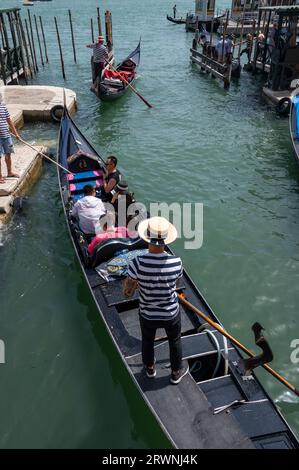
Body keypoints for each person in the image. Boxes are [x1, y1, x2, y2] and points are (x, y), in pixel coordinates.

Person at [123, 216, 189, 385]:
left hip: (147, 313)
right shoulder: (177, 262)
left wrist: (137, 285)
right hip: (170, 313)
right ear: (166, 239)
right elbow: (176, 284)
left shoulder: (136, 263)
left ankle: (150, 368)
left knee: (147, 340)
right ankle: (176, 373)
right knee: (175, 341)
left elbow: (127, 293)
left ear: (147, 237)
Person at [0, 93, 20, 184]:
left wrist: (16, 133)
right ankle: (0, 176)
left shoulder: (3, 107)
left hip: (7, 135)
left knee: (8, 154)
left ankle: (9, 172)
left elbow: (9, 120)